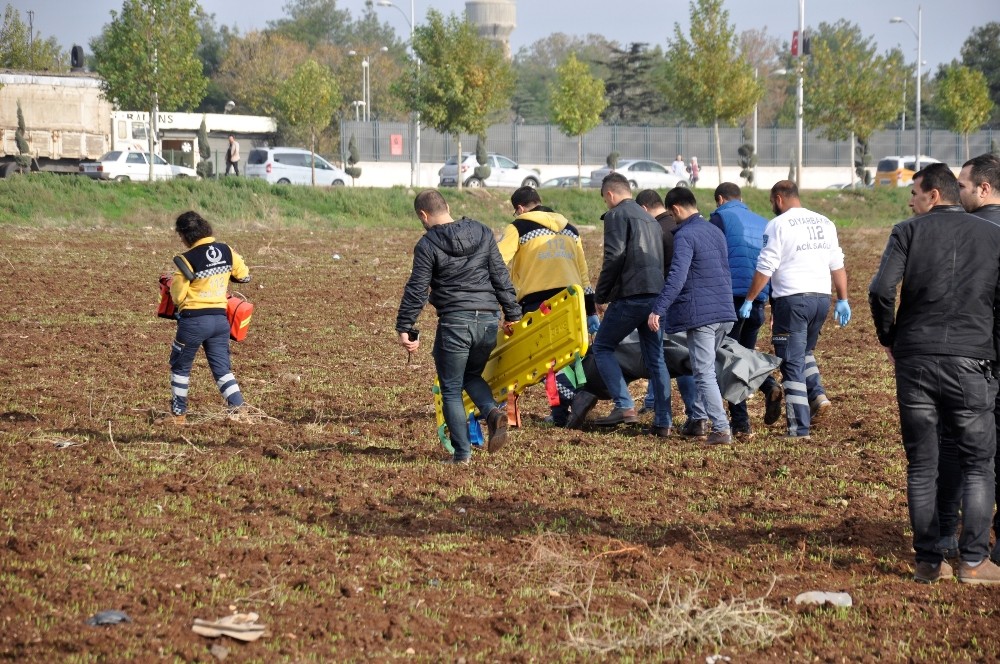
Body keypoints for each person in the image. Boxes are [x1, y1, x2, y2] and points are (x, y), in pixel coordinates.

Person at [869, 162, 1000, 584]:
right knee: (978, 464)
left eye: (915, 193)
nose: (910, 201)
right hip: (972, 359)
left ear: (933, 196)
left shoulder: (907, 231)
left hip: (916, 359)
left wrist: (890, 337)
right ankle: (975, 561)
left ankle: (929, 561)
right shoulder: (993, 236)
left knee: (922, 465)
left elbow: (880, 289)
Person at [395, 190, 522, 465]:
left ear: (423, 215)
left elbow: (418, 289)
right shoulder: (482, 231)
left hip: (456, 323)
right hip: (488, 320)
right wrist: (512, 313)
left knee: (451, 388)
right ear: (448, 207)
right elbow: (500, 275)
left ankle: (462, 455)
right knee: (471, 376)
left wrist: (406, 325)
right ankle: (491, 412)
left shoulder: (427, 244)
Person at [740, 180, 850, 439]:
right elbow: (837, 264)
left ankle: (799, 429)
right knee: (805, 351)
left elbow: (766, 266)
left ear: (779, 199)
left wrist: (749, 299)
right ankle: (817, 396)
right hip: (821, 299)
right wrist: (842, 298)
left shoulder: (778, 225)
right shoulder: (825, 222)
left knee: (790, 363)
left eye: (771, 202)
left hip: (792, 300)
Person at [499, 186, 598, 426]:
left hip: (538, 302)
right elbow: (583, 274)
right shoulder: (570, 229)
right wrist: (591, 310)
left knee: (547, 361)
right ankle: (563, 414)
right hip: (572, 298)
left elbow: (497, 260)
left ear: (520, 209)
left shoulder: (518, 226)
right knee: (569, 357)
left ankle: (573, 402)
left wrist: (502, 298)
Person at [647, 187, 736, 445]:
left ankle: (720, 428)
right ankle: (698, 417)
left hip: (702, 316)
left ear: (675, 209)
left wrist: (658, 308)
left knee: (703, 372)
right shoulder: (714, 231)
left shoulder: (684, 236)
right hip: (724, 312)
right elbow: (724, 270)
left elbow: (677, 276)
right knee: (704, 368)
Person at [591, 173, 673, 437]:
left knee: (602, 346)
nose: (607, 204)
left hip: (631, 294)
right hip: (655, 295)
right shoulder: (651, 218)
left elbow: (614, 256)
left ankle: (625, 405)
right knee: (656, 358)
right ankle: (663, 420)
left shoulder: (617, 215)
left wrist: (600, 295)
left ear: (610, 195)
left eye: (605, 199)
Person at [157, 211, 251, 425]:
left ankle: (179, 415)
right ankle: (239, 409)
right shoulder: (227, 251)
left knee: (181, 367)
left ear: (185, 235)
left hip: (193, 322)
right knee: (222, 368)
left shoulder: (185, 260)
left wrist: (174, 286)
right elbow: (244, 276)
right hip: (220, 321)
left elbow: (179, 296)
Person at [709, 182, 783, 437]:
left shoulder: (719, 218)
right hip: (758, 298)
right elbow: (771, 263)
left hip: (730, 298)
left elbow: (711, 256)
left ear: (720, 199)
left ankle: (741, 424)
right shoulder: (763, 222)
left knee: (728, 360)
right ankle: (769, 385)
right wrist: (769, 300)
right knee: (745, 356)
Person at [635, 189, 698, 427]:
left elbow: (660, 272)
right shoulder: (680, 226)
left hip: (667, 302)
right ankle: (657, 404)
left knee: (673, 359)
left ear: (644, 209)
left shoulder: (657, 231)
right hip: (685, 300)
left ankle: (691, 415)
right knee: (673, 356)